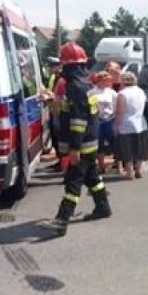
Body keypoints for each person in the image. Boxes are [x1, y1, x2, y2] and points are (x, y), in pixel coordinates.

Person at [41, 42, 112, 236]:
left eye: (64, 64)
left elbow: (78, 121)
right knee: (92, 178)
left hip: (80, 145)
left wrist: (74, 148)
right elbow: (74, 112)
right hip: (89, 142)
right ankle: (103, 207)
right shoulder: (86, 83)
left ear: (69, 65)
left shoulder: (75, 86)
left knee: (72, 182)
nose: (62, 68)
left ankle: (62, 220)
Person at [114, 72, 148, 180]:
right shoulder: (141, 91)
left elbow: (120, 112)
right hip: (141, 123)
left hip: (126, 125)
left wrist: (116, 125)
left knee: (127, 150)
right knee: (139, 150)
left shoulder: (122, 94)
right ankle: (138, 170)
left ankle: (130, 172)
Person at [89, 71, 117, 174]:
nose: (107, 82)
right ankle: (101, 166)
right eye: (105, 80)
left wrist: (114, 117)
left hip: (110, 120)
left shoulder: (112, 93)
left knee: (114, 142)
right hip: (97, 121)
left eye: (108, 80)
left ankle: (118, 164)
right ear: (99, 80)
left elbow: (116, 105)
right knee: (99, 144)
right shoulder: (92, 92)